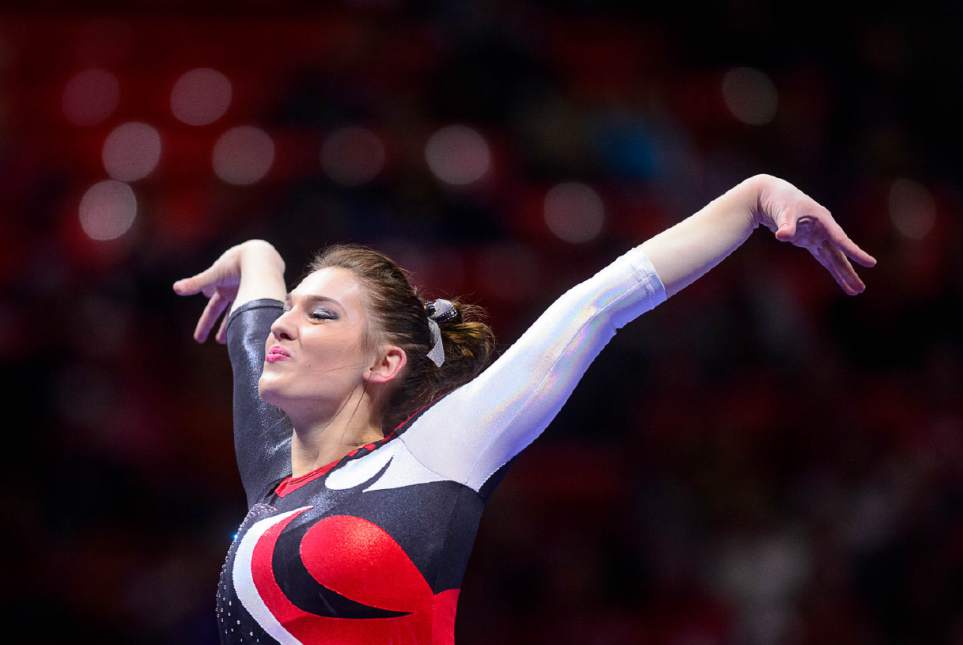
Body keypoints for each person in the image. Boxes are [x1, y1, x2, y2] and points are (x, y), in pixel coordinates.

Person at [173, 174, 875, 644]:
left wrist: (752, 200)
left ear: (383, 363)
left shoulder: (435, 454)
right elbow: (255, 321)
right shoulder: (273, 482)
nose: (284, 327)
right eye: (289, 311)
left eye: (320, 314)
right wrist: (258, 256)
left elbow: (597, 305)